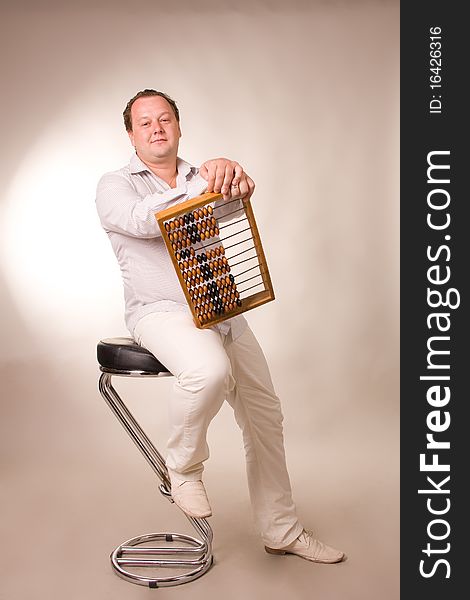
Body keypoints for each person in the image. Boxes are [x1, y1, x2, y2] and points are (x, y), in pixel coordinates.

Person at [95, 89, 344, 564]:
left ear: (179, 126)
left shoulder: (202, 174)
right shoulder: (115, 185)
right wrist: (203, 183)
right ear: (131, 134)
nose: (157, 128)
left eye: (164, 119)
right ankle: (183, 468)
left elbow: (228, 217)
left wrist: (237, 184)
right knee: (208, 371)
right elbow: (143, 220)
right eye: (145, 123)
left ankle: (281, 530)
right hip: (161, 311)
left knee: (265, 417)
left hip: (222, 307)